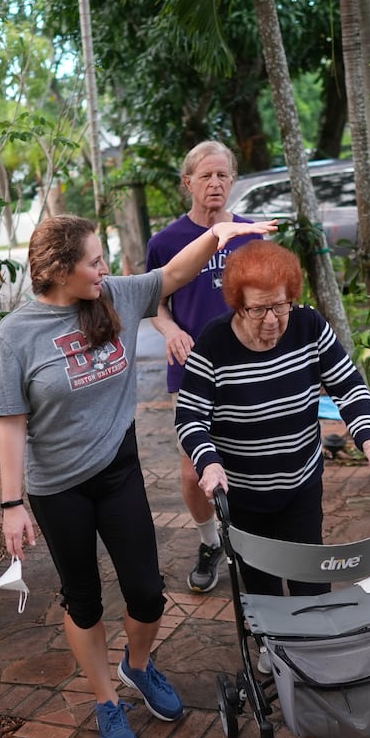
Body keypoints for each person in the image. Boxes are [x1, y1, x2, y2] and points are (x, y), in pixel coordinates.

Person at [0, 213, 274, 738]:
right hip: (58, 488)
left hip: (118, 470)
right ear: (58, 270)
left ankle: (136, 668)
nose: (105, 268)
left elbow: (171, 276)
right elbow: (11, 421)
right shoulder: (16, 335)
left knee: (146, 589)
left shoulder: (111, 295)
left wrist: (216, 238)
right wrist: (10, 504)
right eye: (94, 261)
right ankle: (104, 699)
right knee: (84, 598)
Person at [174, 241, 370, 667]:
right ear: (239, 304)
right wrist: (209, 461)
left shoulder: (308, 325)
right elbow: (190, 417)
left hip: (300, 482)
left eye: (281, 306)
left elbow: (348, 386)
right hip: (243, 491)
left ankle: (315, 652)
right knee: (261, 582)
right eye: (258, 309)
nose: (272, 320)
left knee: (310, 572)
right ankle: (272, 649)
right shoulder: (215, 342)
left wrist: (368, 439)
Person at [145, 140, 255, 594]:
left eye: (223, 175)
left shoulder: (251, 231)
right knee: (194, 471)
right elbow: (154, 303)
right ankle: (210, 541)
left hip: (248, 367)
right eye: (206, 176)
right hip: (192, 371)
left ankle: (252, 548)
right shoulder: (166, 242)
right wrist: (170, 331)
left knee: (248, 463)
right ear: (187, 182)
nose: (215, 183)